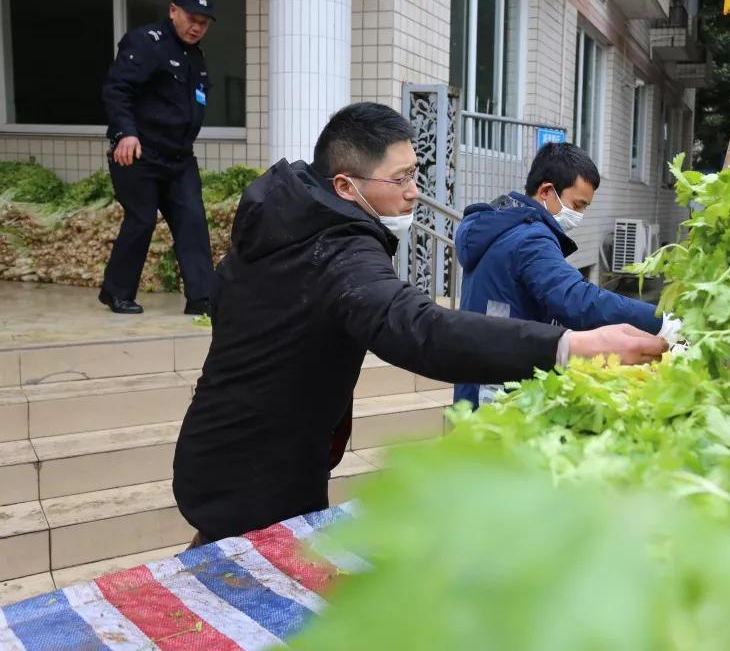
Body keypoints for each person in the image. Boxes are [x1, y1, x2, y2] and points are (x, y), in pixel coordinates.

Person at [172, 102, 667, 544]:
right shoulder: (337, 251)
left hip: (238, 449)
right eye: (401, 179)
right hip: (255, 467)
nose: (414, 193)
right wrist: (568, 347)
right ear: (345, 185)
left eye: (416, 175)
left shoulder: (289, 221)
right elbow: (419, 327)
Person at [453, 142, 681, 407]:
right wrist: (659, 321)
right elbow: (575, 299)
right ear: (546, 191)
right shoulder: (529, 238)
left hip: (486, 364)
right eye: (577, 205)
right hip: (498, 377)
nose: (580, 215)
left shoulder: (505, 225)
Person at [99, 0, 217, 315]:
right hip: (138, 153)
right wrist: (126, 133)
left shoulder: (195, 55)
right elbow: (117, 89)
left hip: (179, 157)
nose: (197, 27)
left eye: (203, 23)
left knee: (192, 220)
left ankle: (202, 298)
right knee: (141, 220)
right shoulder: (145, 42)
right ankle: (117, 292)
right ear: (173, 11)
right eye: (192, 19)